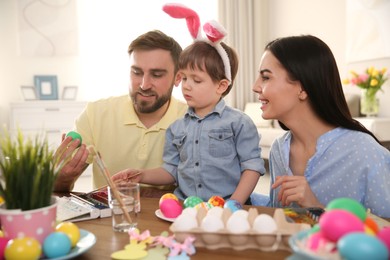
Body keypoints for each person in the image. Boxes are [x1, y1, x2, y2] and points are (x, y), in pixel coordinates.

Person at [112, 6, 265, 205]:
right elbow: (171, 170)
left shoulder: (239, 123)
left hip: (226, 208)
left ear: (221, 85)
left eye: (196, 80)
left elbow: (252, 167)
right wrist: (141, 175)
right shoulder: (177, 128)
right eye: (183, 78)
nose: (186, 86)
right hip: (186, 208)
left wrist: (234, 204)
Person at [251, 35, 390, 218]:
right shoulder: (279, 149)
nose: (255, 87)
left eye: (266, 77)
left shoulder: (365, 152)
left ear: (302, 88)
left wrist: (316, 206)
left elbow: (384, 231)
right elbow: (281, 214)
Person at [53, 30, 188, 197]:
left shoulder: (194, 120)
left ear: (178, 78)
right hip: (110, 221)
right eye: (136, 72)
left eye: (157, 74)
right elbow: (58, 189)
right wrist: (61, 178)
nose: (144, 85)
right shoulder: (95, 113)